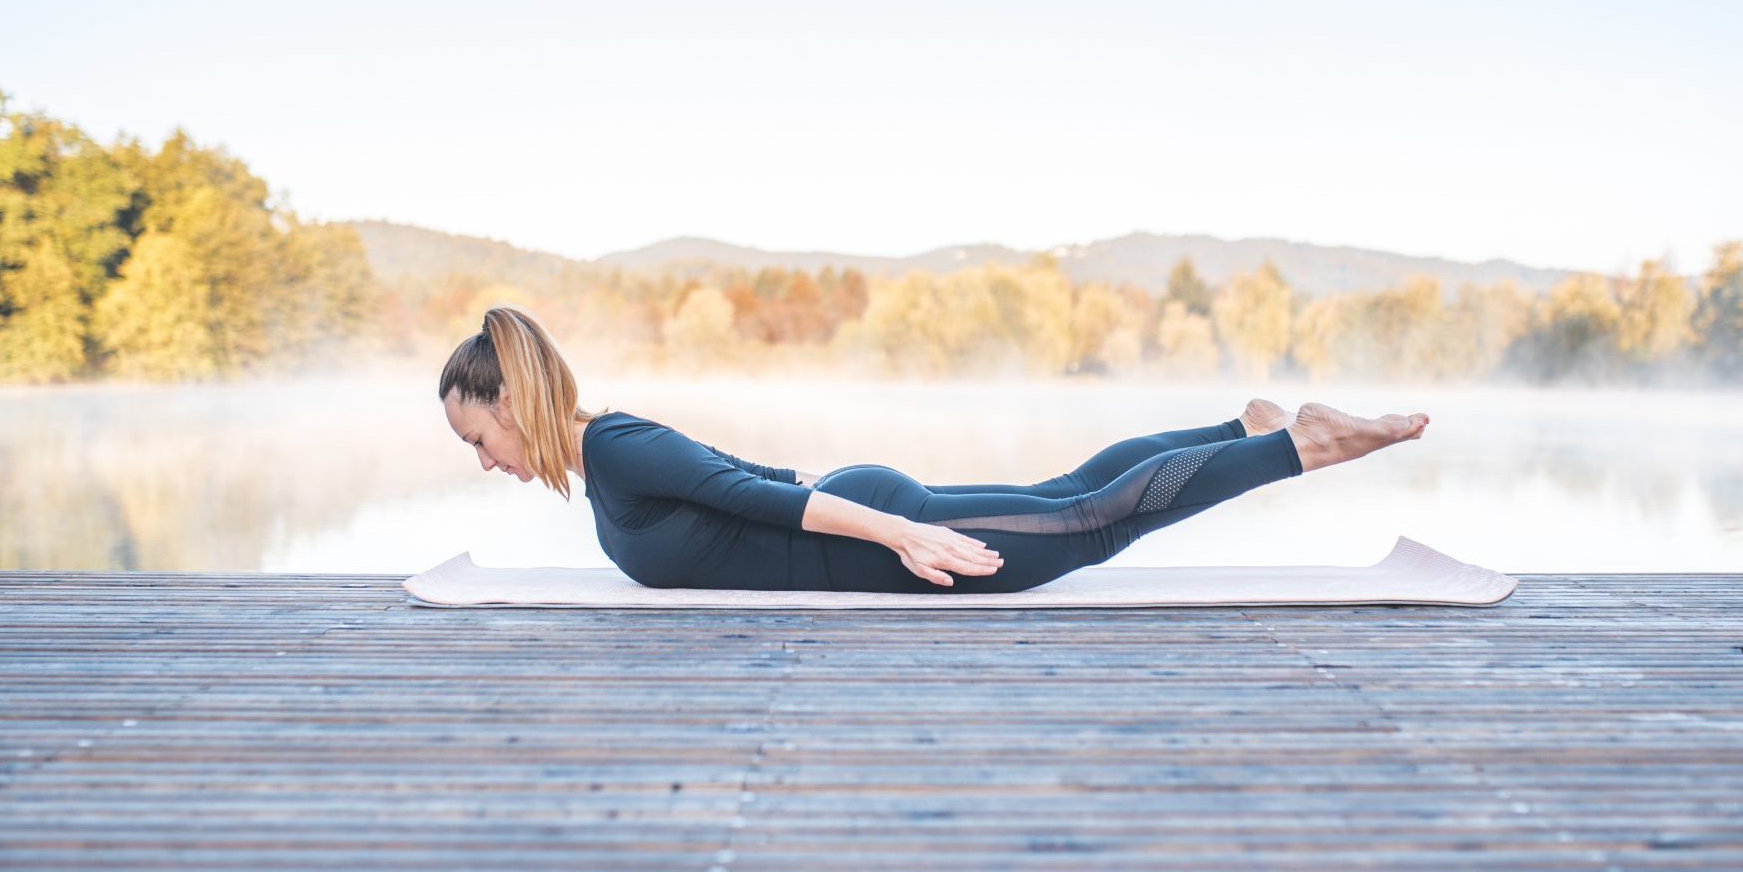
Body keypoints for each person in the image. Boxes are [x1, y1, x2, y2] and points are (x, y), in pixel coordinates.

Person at [439, 304, 1428, 594]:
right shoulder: (612, 456)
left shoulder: (611, 448)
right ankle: (1240, 431)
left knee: (1085, 521)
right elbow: (742, 484)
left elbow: (755, 500)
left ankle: (1299, 445)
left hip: (868, 536)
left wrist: (898, 536)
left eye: (478, 436)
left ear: (512, 401)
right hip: (859, 520)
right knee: (1072, 490)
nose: (483, 459)